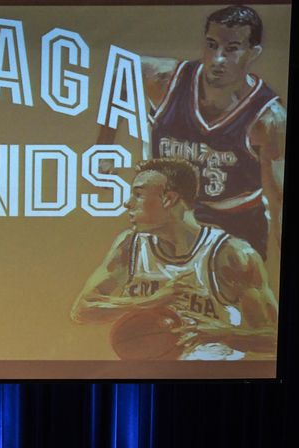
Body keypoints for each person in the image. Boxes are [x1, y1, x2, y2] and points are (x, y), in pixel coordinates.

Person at [98, 5, 286, 293]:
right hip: (173, 213)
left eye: (232, 49)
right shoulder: (166, 80)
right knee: (163, 313)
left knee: (236, 318)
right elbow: (122, 72)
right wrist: (103, 148)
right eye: (211, 45)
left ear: (253, 53)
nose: (218, 59)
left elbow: (278, 197)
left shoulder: (267, 119)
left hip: (236, 220)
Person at [71, 157, 277, 360]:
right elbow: (82, 310)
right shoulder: (130, 246)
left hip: (209, 377)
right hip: (146, 378)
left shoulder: (230, 254)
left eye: (138, 195)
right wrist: (149, 302)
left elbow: (274, 338)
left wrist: (225, 335)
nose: (127, 203)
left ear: (169, 199)